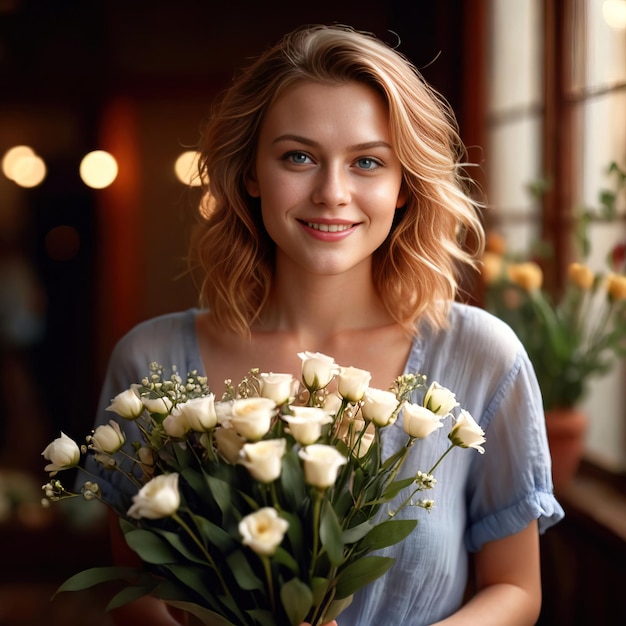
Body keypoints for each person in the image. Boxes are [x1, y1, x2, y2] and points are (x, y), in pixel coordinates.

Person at [86, 23, 564, 626]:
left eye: (367, 162)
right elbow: (134, 590)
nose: (332, 192)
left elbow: (518, 590)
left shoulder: (481, 356)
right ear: (251, 173)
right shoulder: (149, 360)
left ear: (403, 187)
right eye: (299, 157)